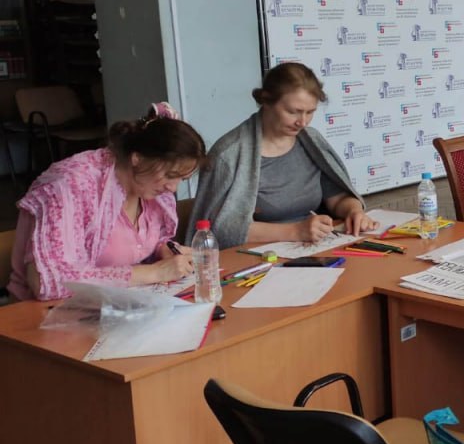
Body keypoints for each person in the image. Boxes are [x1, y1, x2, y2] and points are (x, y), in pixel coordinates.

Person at [10, 103, 206, 301]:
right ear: (137, 158)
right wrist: (154, 273)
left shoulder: (150, 189)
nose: (173, 188)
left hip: (117, 305)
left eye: (182, 179)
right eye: (170, 175)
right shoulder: (71, 184)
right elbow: (49, 281)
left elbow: (143, 240)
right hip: (41, 312)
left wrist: (163, 249)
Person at [191, 62, 373, 248]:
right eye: (293, 112)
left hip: (312, 247)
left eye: (310, 112)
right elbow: (220, 229)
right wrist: (296, 231)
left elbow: (337, 198)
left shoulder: (311, 141)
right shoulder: (229, 154)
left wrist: (354, 211)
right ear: (267, 101)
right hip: (254, 255)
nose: (302, 122)